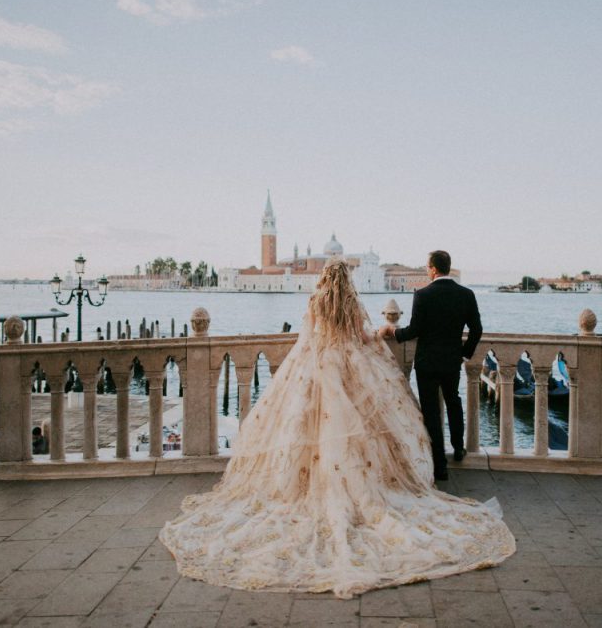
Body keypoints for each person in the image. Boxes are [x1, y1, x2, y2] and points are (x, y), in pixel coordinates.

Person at [159, 259, 514, 598]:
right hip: (352, 367)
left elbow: (308, 340)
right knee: (371, 429)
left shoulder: (315, 302)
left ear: (323, 280)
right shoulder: (351, 303)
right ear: (347, 280)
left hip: (317, 368)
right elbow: (362, 337)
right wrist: (382, 334)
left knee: (305, 430)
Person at [379, 250, 482, 480]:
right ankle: (457, 448)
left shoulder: (423, 295)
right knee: (454, 402)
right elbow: (477, 330)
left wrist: (391, 331)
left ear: (434, 269)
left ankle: (439, 465)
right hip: (451, 361)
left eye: (427, 267)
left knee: (431, 412)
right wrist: (464, 354)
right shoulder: (466, 294)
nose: (426, 270)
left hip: (426, 363)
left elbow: (414, 331)